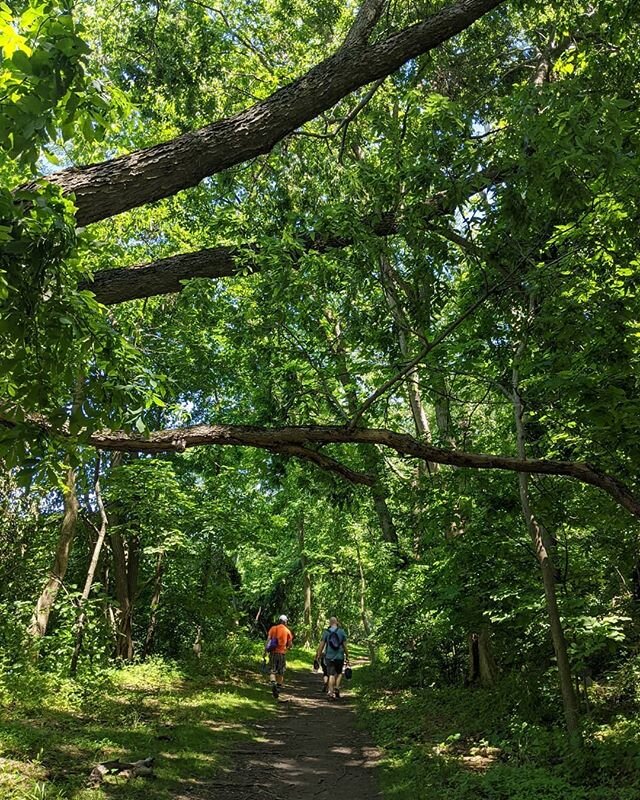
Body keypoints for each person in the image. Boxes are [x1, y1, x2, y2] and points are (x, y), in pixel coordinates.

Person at [315, 616, 349, 699]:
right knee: (339, 673)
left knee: (331, 674)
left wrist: (318, 656)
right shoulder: (341, 632)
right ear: (337, 622)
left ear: (330, 623)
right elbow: (345, 646)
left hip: (329, 656)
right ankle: (337, 687)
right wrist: (347, 655)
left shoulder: (326, 632)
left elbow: (322, 645)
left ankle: (330, 693)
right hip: (339, 656)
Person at [265, 614, 293, 698]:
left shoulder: (273, 628)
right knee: (281, 672)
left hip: (273, 653)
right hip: (282, 654)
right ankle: (278, 688)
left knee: (272, 670)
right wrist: (288, 648)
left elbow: (268, 640)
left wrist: (265, 651)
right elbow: (290, 644)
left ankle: (273, 683)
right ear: (285, 622)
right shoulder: (287, 631)